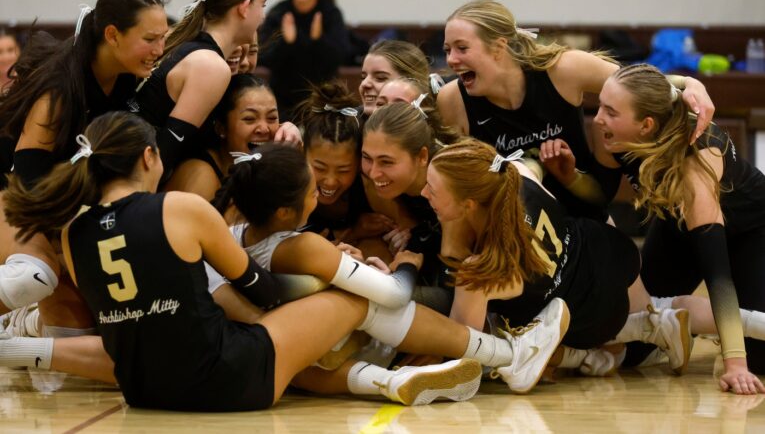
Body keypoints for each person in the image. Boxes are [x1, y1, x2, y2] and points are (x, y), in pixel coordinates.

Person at [0, 111, 572, 408]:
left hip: (146, 389)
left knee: (299, 350)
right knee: (349, 300)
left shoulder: (73, 234)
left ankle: (385, 381)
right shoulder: (180, 208)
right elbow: (260, 293)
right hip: (229, 377)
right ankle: (505, 353)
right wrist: (326, 291)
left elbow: (132, 322)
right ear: (150, 156)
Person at [540, 63, 765, 394]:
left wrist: (735, 365)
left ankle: (721, 327)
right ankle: (688, 323)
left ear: (646, 125)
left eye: (611, 111)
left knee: (757, 359)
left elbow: (717, 273)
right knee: (637, 342)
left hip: (751, 232)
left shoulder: (695, 166)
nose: (598, 117)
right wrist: (570, 177)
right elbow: (601, 194)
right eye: (599, 105)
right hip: (678, 228)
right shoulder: (612, 132)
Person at [424, 138, 695, 376]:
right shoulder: (513, 173)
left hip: (590, 315)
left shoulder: (483, 268)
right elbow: (532, 169)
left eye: (432, 190)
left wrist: (451, 244)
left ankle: (599, 352)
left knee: (508, 340)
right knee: (645, 319)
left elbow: (465, 352)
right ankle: (652, 326)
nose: (424, 194)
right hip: (605, 247)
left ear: (468, 205)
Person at [437, 0, 715, 218]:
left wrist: (690, 82)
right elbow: (461, 186)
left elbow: (642, 84)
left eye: (462, 48)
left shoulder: (564, 68)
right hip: (515, 230)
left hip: (586, 214)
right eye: (448, 49)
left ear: (498, 47)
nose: (451, 59)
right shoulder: (452, 100)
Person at [0, 0, 168, 342]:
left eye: (163, 38)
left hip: (60, 205)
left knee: (80, 337)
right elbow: (25, 181)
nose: (160, 50)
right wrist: (62, 241)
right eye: (150, 39)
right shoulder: (61, 87)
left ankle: (17, 325)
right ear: (112, 35)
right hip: (13, 194)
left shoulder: (130, 80)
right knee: (34, 274)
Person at [134, 0, 299, 179]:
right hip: (128, 177)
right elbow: (163, 154)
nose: (263, 16)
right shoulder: (210, 65)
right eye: (263, 5)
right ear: (244, 8)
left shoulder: (201, 51)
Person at [362, 102, 461, 312]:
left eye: (386, 162)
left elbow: (452, 301)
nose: (373, 173)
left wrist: (383, 284)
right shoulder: (384, 182)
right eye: (366, 158)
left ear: (422, 157)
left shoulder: (454, 190)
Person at [293, 80, 394, 245]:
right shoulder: (288, 189)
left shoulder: (370, 185)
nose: (330, 181)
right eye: (319, 168)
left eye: (343, 170)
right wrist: (354, 234)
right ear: (302, 153)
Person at [163, 74, 280, 202]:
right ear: (221, 128)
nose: (264, 129)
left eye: (272, 118)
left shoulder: (262, 169)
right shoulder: (202, 176)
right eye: (249, 119)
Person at [258, 0, 350, 120]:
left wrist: (317, 40)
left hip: (322, 98)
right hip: (283, 99)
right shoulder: (280, 12)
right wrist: (287, 42)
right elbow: (263, 55)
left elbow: (339, 56)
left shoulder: (330, 13)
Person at [359, 40, 431, 115]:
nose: (364, 84)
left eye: (380, 78)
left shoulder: (435, 124)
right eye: (363, 77)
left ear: (413, 83)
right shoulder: (348, 123)